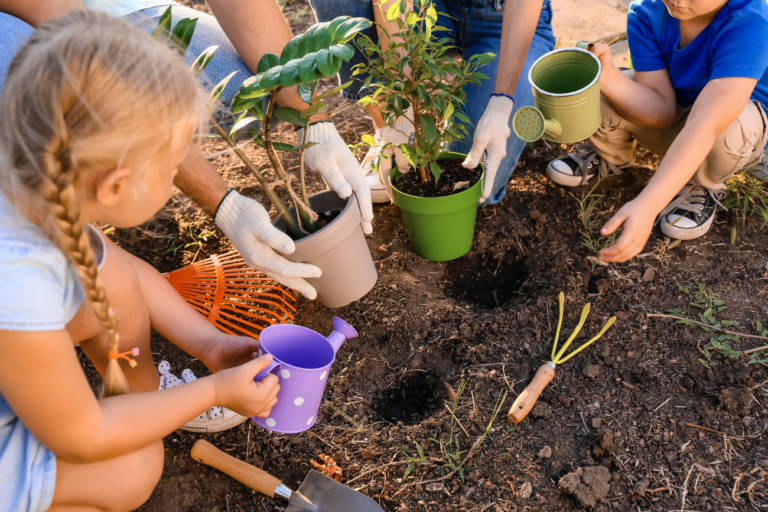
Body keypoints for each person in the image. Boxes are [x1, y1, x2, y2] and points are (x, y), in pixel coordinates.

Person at [0, 11, 282, 512]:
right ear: (114, 186)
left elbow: (127, 280)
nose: (179, 171)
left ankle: (138, 405)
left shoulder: (33, 188)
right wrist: (212, 392)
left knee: (111, 278)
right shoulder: (15, 282)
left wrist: (212, 346)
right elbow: (82, 436)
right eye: (173, 166)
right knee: (136, 468)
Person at [0, 0, 375, 300]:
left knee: (245, 93)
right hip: (23, 18)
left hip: (119, 9)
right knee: (21, 76)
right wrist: (220, 202)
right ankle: (73, 219)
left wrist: (314, 121)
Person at [546, 0, 768, 260]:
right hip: (678, 112)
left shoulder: (749, 21)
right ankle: (610, 157)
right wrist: (607, 78)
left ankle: (701, 182)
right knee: (600, 90)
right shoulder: (647, 12)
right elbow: (661, 110)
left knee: (728, 129)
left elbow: (707, 122)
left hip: (726, 129)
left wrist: (648, 204)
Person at [310, 0, 556, 205]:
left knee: (474, 187)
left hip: (504, 16)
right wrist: (397, 106)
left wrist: (502, 102)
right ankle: (385, 132)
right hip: (429, 7)